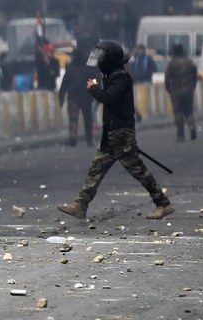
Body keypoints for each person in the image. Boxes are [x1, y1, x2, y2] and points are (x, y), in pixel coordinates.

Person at [58, 40, 175, 220]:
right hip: (112, 133)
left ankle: (162, 203)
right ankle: (81, 205)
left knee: (138, 171)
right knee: (96, 169)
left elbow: (109, 98)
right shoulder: (112, 75)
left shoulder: (121, 77)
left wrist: (93, 88)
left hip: (121, 134)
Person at [58, 47, 99, 147]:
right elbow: (95, 80)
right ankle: (89, 139)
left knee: (73, 119)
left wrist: (61, 96)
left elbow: (64, 83)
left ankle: (73, 138)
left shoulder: (71, 67)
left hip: (73, 96)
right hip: (86, 96)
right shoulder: (89, 67)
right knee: (88, 119)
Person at [164, 43, 198, 141]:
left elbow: (167, 77)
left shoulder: (172, 63)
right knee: (189, 111)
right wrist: (192, 87)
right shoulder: (189, 62)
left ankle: (180, 133)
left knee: (178, 112)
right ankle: (192, 127)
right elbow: (195, 76)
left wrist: (169, 89)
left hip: (176, 91)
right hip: (188, 90)